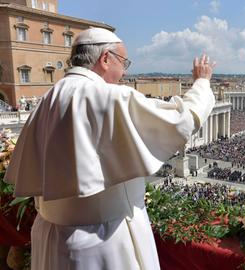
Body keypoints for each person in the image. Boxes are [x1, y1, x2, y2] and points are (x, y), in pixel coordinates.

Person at [4, 28, 216, 270]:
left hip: (52, 238)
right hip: (103, 242)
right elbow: (180, 121)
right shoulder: (109, 97)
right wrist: (202, 82)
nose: (124, 72)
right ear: (105, 59)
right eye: (123, 62)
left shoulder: (47, 99)